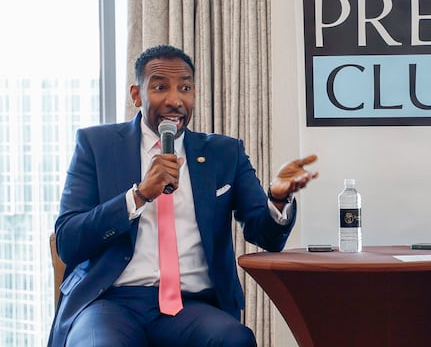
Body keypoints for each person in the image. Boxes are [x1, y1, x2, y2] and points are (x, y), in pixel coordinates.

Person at [48, 45, 318, 347]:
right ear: (137, 95)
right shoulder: (96, 145)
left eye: (185, 88)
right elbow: (68, 241)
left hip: (190, 305)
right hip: (111, 301)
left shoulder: (224, 153)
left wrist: (277, 200)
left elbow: (266, 235)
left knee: (235, 340)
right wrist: (137, 197)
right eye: (160, 87)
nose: (175, 100)